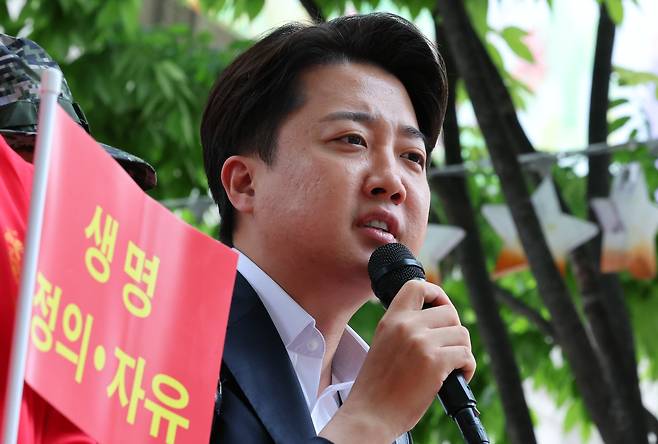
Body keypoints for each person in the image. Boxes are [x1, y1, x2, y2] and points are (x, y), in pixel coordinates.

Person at [201, 12, 476, 444]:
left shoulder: (385, 401)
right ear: (245, 183)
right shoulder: (163, 326)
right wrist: (368, 422)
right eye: (352, 139)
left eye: (412, 157)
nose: (393, 182)